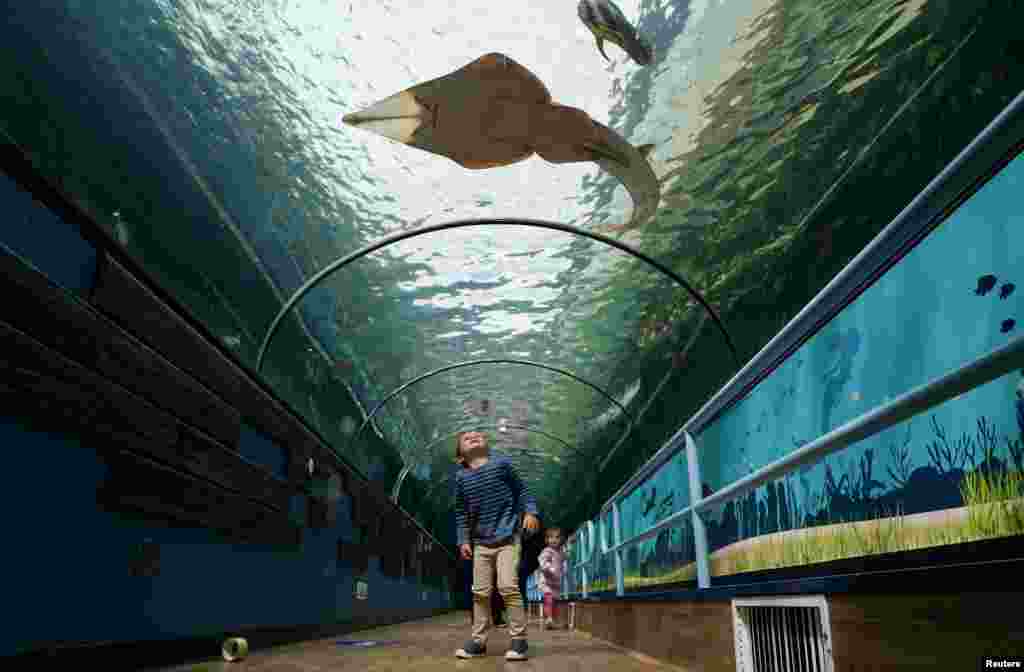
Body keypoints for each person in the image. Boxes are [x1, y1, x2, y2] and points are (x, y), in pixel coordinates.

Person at [453, 431, 540, 661]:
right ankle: (478, 641)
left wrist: (530, 511)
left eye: (478, 435)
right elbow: (461, 512)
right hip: (481, 544)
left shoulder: (502, 464)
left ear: (487, 446)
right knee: (480, 593)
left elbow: (522, 489)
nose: (473, 436)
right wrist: (463, 540)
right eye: (466, 437)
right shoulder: (461, 478)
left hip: (509, 539)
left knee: (508, 587)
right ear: (460, 455)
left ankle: (519, 640)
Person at [537, 527, 565, 630]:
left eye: (557, 537)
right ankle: (549, 618)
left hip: (556, 582)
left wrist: (571, 543)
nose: (554, 540)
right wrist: (548, 567)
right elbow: (541, 560)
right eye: (550, 537)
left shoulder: (560, 551)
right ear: (547, 540)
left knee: (555, 601)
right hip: (546, 581)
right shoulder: (547, 550)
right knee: (548, 598)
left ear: (561, 539)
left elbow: (565, 557)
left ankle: (553, 619)